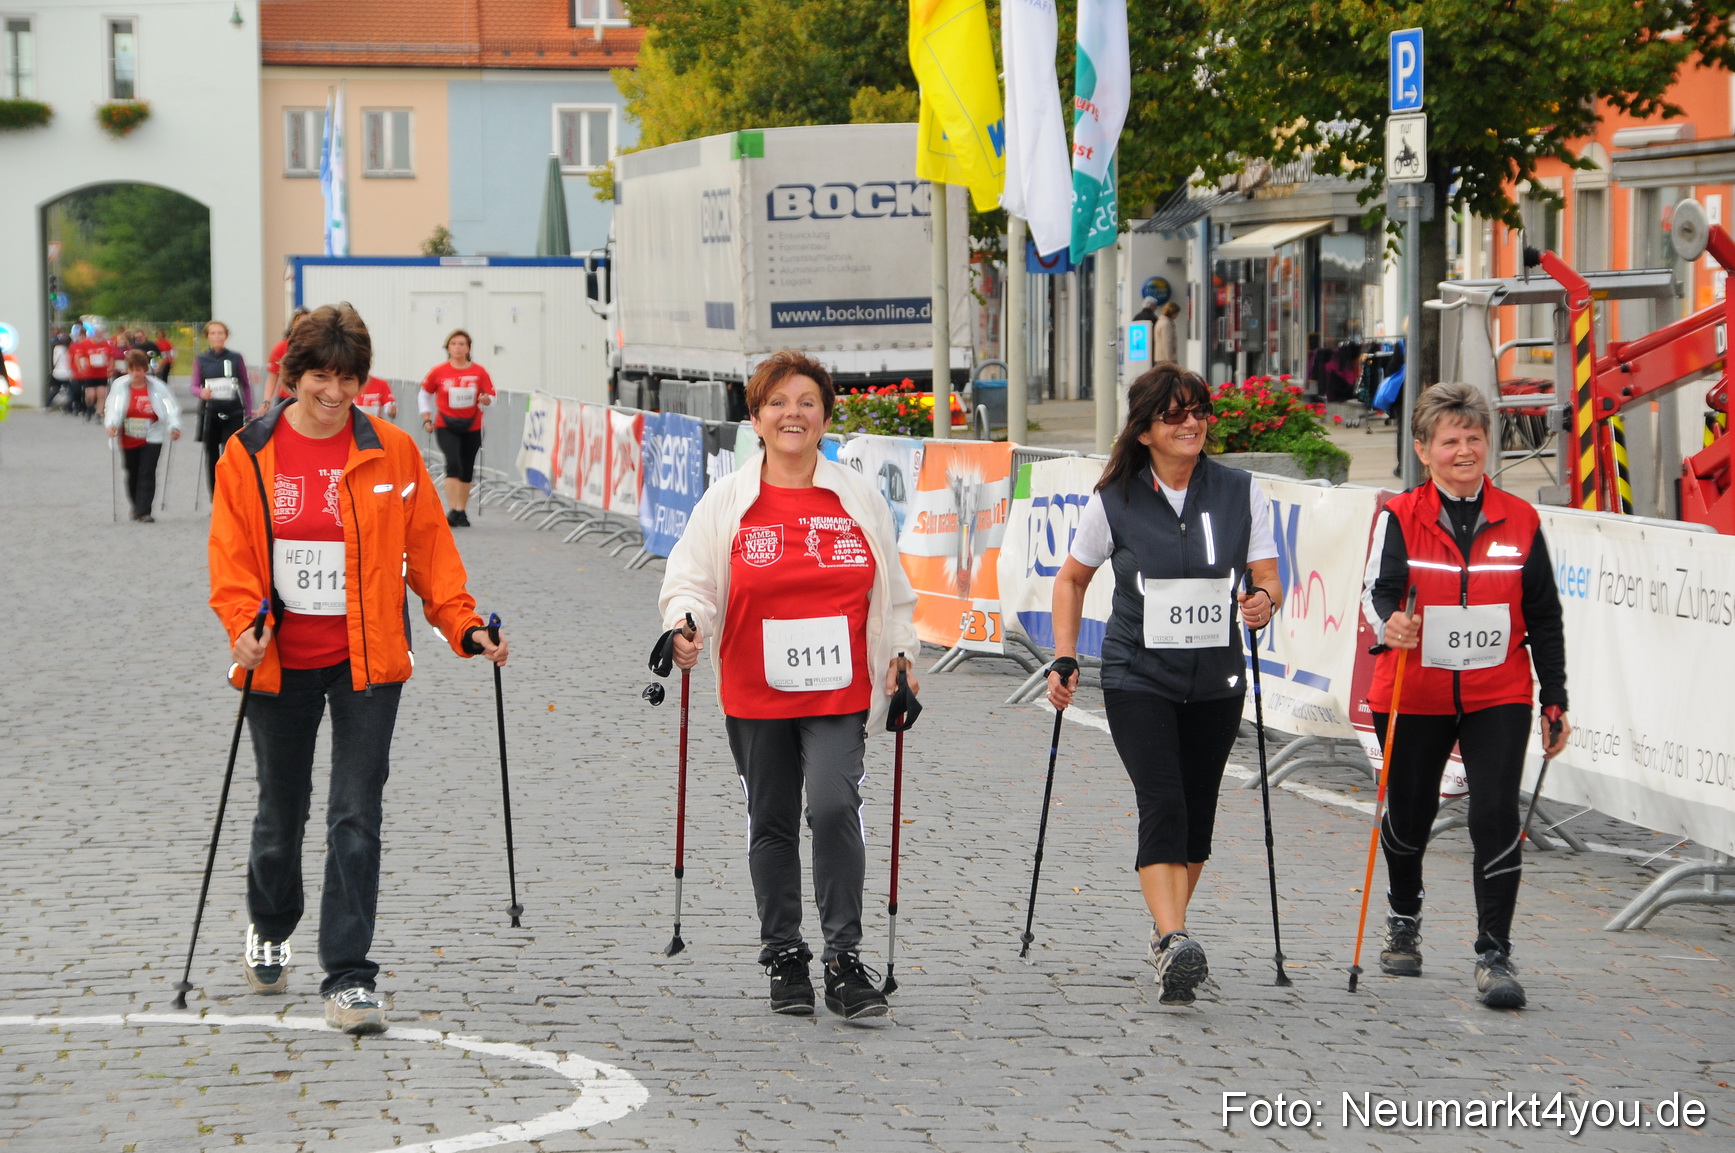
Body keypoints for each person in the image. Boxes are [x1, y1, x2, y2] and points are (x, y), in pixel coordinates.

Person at [207, 302, 507, 1035]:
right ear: (293, 374)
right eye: (319, 376)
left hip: (367, 662)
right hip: (279, 663)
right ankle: (270, 921)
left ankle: (348, 975)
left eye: (347, 378)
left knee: (355, 814)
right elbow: (234, 559)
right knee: (281, 813)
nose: (334, 393)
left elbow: (431, 554)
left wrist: (464, 624)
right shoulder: (248, 452)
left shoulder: (393, 452)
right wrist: (243, 624)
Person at [659, 349, 919, 1020]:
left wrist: (900, 656)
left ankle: (842, 958)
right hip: (754, 688)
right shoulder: (728, 500)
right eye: (776, 402)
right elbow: (692, 579)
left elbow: (892, 592)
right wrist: (684, 625)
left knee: (833, 806)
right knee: (769, 819)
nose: (791, 413)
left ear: (825, 415)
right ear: (755, 417)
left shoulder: (856, 496)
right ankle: (784, 954)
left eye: (805, 401)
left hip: (838, 689)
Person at [1047, 363, 1281, 1006]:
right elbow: (1072, 579)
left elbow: (1267, 575)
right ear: (1145, 429)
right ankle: (1177, 936)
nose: (1191, 424)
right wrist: (1064, 658)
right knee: (1164, 799)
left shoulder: (1240, 491)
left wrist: (1261, 600)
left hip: (1216, 677)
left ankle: (1166, 940)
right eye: (1174, 415)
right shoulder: (1115, 498)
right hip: (1137, 675)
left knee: (1198, 815)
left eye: (1200, 411)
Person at [1360, 380, 1569, 1010]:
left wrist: (1553, 698)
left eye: (1474, 438)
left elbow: (1545, 615)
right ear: (1424, 450)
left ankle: (1494, 953)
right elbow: (1378, 592)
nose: (1464, 451)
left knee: (1494, 814)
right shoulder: (1399, 516)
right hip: (1415, 687)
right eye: (1450, 440)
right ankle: (1403, 917)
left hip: (1495, 689)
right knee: (1412, 813)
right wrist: (1391, 622)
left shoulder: (1521, 519)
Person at [419, 330, 496, 527]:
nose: (458, 347)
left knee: (467, 467)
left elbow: (492, 397)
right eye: (454, 343)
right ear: (448, 348)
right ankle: (452, 509)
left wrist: (486, 399)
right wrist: (427, 418)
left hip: (473, 425)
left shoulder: (479, 372)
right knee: (453, 463)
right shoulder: (439, 371)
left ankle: (461, 509)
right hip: (446, 424)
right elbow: (424, 394)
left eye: (462, 344)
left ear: (468, 348)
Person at [104, 349, 182, 522]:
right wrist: (111, 425)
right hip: (128, 436)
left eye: (139, 370)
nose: (135, 374)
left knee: (147, 472)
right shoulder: (120, 386)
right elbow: (112, 407)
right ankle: (135, 505)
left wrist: (174, 426)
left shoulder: (158, 387)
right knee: (132, 472)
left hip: (152, 435)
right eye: (132, 370)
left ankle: (144, 510)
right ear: (128, 370)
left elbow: (170, 407)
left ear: (145, 369)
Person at [192, 320, 253, 500]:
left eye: (220, 333)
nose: (217, 336)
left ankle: (233, 495)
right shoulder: (201, 359)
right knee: (212, 456)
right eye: (213, 333)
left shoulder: (236, 357)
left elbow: (246, 386)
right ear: (208, 336)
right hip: (210, 412)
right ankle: (216, 497)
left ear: (226, 336)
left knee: (232, 455)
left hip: (232, 411)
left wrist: (248, 412)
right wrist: (201, 392)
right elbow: (194, 385)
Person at [261, 307, 311, 416]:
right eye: (299, 321)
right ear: (293, 324)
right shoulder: (281, 347)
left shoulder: (317, 348)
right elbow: (273, 376)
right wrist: (267, 400)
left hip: (309, 398)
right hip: (286, 399)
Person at [48, 327, 74, 412]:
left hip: (57, 372)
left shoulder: (56, 349)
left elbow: (55, 362)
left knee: (55, 389)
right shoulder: (70, 350)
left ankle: (47, 404)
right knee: (71, 391)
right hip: (68, 374)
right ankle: (68, 407)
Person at [1152, 301, 1181, 365]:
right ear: (1172, 313)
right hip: (1166, 359)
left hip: (1160, 357)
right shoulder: (1167, 324)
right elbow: (1168, 342)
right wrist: (1171, 360)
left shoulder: (1160, 322)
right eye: (1176, 313)